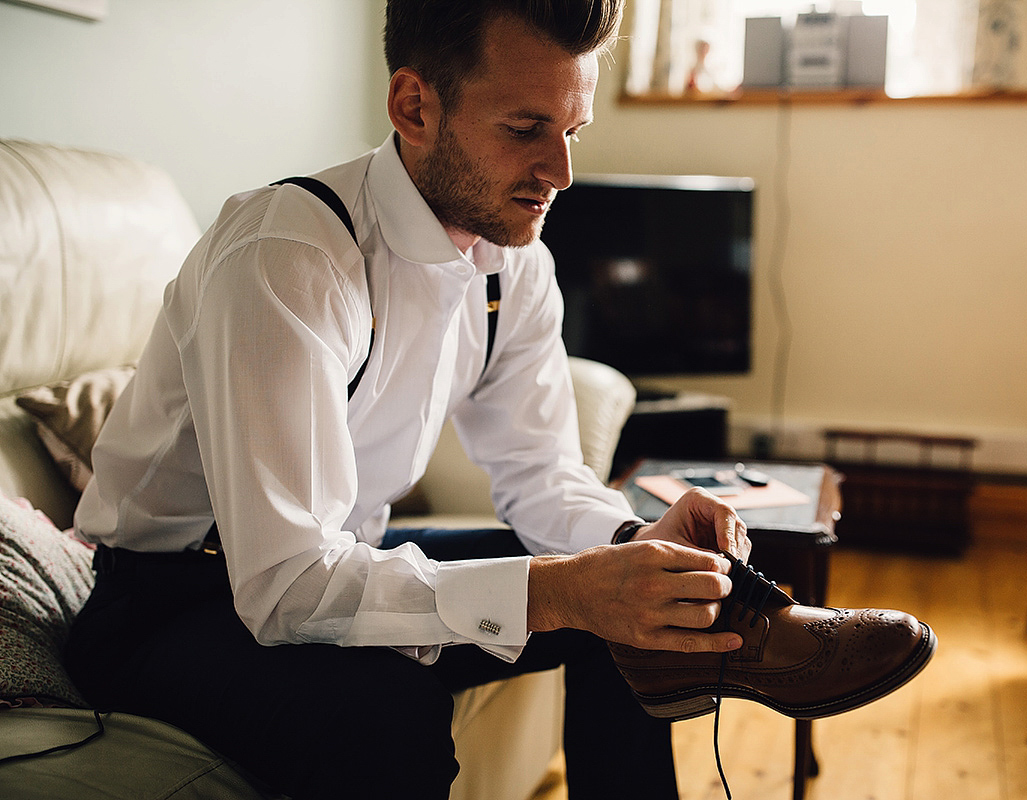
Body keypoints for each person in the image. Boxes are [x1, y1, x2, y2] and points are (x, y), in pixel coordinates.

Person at [65, 2, 933, 798]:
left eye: (572, 130)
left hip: (338, 554)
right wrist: (565, 592)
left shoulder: (513, 263)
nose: (559, 169)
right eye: (526, 128)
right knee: (390, 709)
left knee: (629, 606)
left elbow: (540, 476)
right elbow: (285, 587)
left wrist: (632, 547)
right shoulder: (286, 258)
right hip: (173, 605)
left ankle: (748, 625)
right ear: (415, 107)